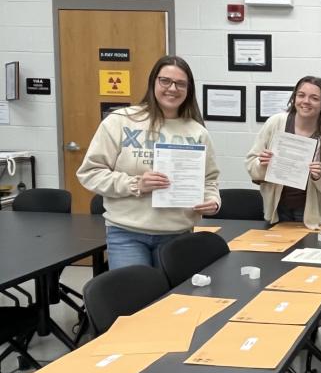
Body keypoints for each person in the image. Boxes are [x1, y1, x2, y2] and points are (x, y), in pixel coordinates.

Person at [77, 55, 220, 270]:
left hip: (178, 234)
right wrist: (136, 184)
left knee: (174, 293)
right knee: (134, 292)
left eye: (181, 83)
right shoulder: (121, 121)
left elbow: (209, 180)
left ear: (189, 89)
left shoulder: (197, 132)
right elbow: (90, 173)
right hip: (127, 233)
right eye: (165, 81)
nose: (172, 88)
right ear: (153, 82)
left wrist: (212, 201)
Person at [245, 76, 321, 228]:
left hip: (311, 214)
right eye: (301, 95)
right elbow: (251, 165)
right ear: (294, 99)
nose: (306, 101)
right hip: (276, 210)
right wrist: (262, 164)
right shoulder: (276, 123)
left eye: (314, 98)